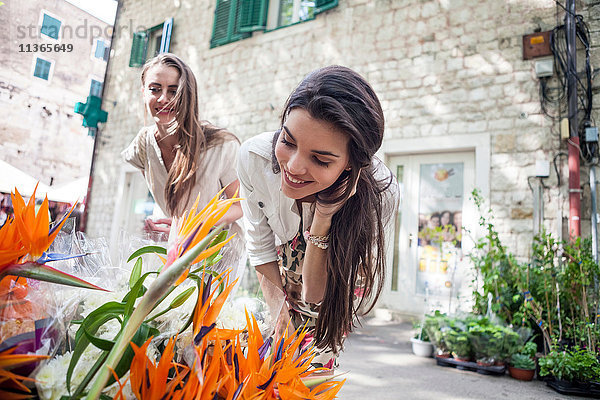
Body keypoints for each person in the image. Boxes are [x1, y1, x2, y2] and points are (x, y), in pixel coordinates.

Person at [237, 65, 399, 369]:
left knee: (311, 376)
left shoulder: (381, 195)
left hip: (328, 303)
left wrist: (323, 217)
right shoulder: (254, 158)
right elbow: (259, 247)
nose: (294, 167)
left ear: (351, 164)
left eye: (321, 159)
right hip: (276, 283)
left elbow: (316, 293)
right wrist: (278, 316)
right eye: (287, 141)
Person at [122, 53, 244, 272]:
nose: (163, 99)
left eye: (173, 91)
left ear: (187, 95)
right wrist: (165, 225)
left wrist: (195, 224)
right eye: (155, 89)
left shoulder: (221, 145)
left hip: (218, 254)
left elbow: (241, 204)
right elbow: (172, 203)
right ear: (143, 93)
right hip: (174, 250)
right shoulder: (143, 144)